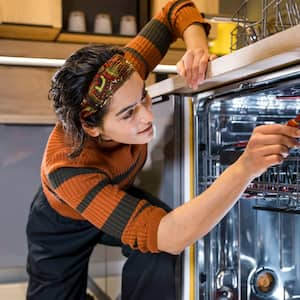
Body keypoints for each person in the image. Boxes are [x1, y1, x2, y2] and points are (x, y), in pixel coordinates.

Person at [25, 0, 300, 299]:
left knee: (156, 252)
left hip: (113, 192)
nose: (147, 115)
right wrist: (245, 166)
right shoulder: (67, 168)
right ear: (92, 127)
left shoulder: (120, 73)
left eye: (143, 96)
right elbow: (170, 236)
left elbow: (174, 10)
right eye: (128, 113)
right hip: (61, 223)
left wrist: (197, 48)